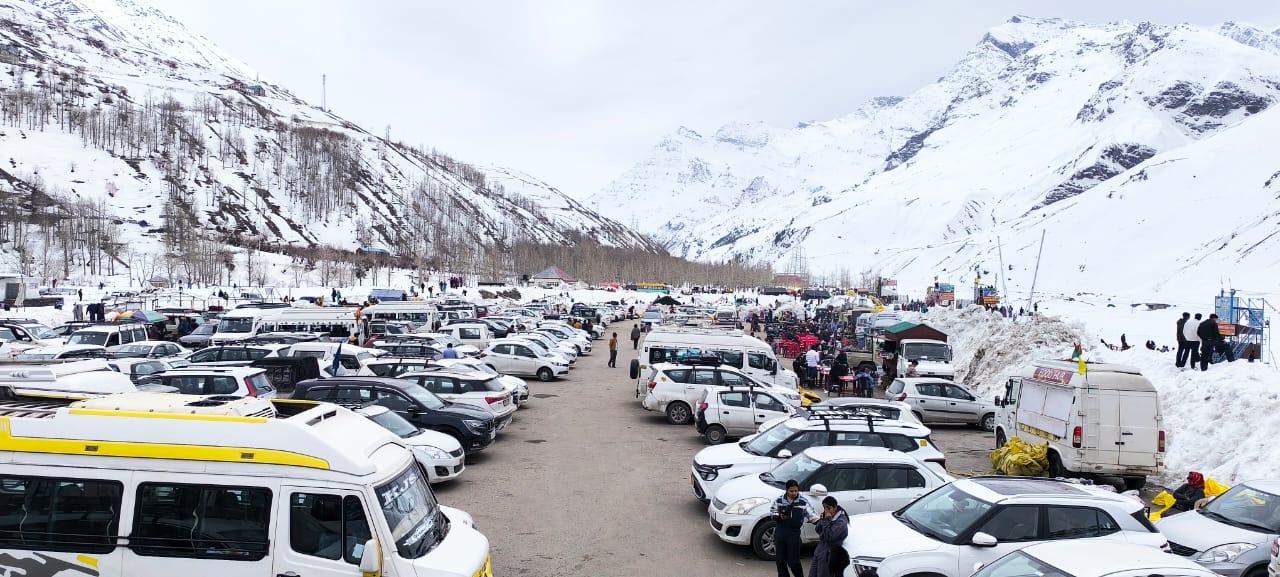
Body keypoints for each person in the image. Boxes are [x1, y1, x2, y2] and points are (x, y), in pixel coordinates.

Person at [771, 480, 813, 577]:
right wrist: (779, 517)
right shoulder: (779, 501)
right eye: (791, 491)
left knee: (793, 562)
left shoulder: (803, 502)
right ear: (787, 490)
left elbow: (812, 515)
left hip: (794, 535)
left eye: (796, 491)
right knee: (780, 562)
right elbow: (773, 512)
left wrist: (820, 523)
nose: (794, 493)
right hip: (780, 533)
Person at [809, 496, 850, 577]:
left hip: (829, 554)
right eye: (824, 508)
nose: (826, 510)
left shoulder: (841, 521)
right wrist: (822, 520)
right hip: (819, 551)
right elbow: (818, 530)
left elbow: (829, 536)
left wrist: (827, 520)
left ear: (835, 507)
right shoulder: (827, 516)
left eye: (828, 508)